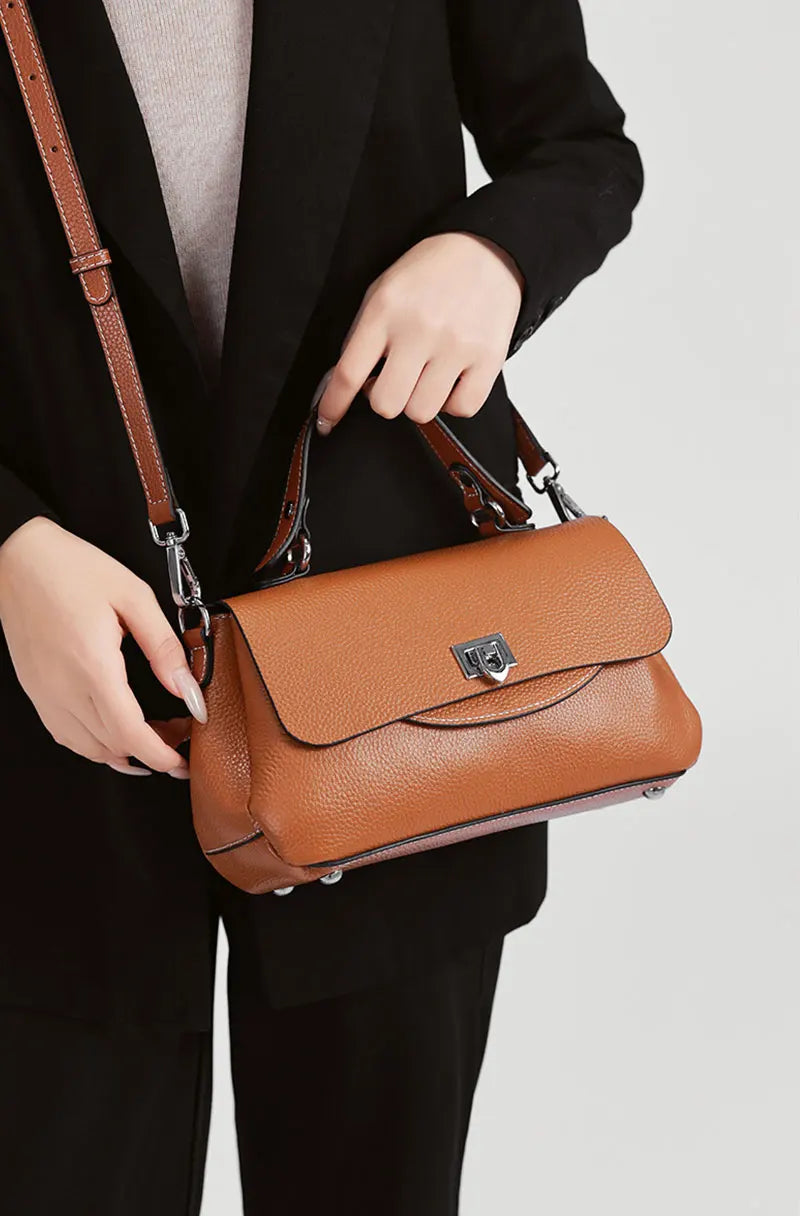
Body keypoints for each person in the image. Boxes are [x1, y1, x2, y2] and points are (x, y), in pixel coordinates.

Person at [0, 1, 643, 1212]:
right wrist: (4, 545)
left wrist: (491, 255)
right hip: (49, 704)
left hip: (401, 680)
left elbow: (578, 147)